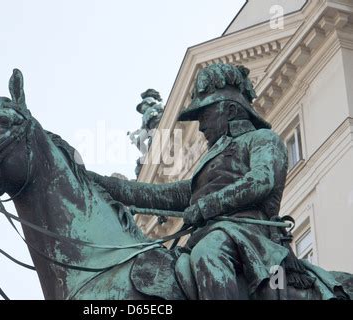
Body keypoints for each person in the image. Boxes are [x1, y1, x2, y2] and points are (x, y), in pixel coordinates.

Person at [89, 63, 344, 299]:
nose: (200, 127)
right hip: (210, 234)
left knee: (208, 255)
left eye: (205, 115)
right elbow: (163, 195)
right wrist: (101, 183)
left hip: (248, 232)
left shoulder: (262, 139)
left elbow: (262, 179)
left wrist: (206, 206)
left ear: (230, 110)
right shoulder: (210, 159)